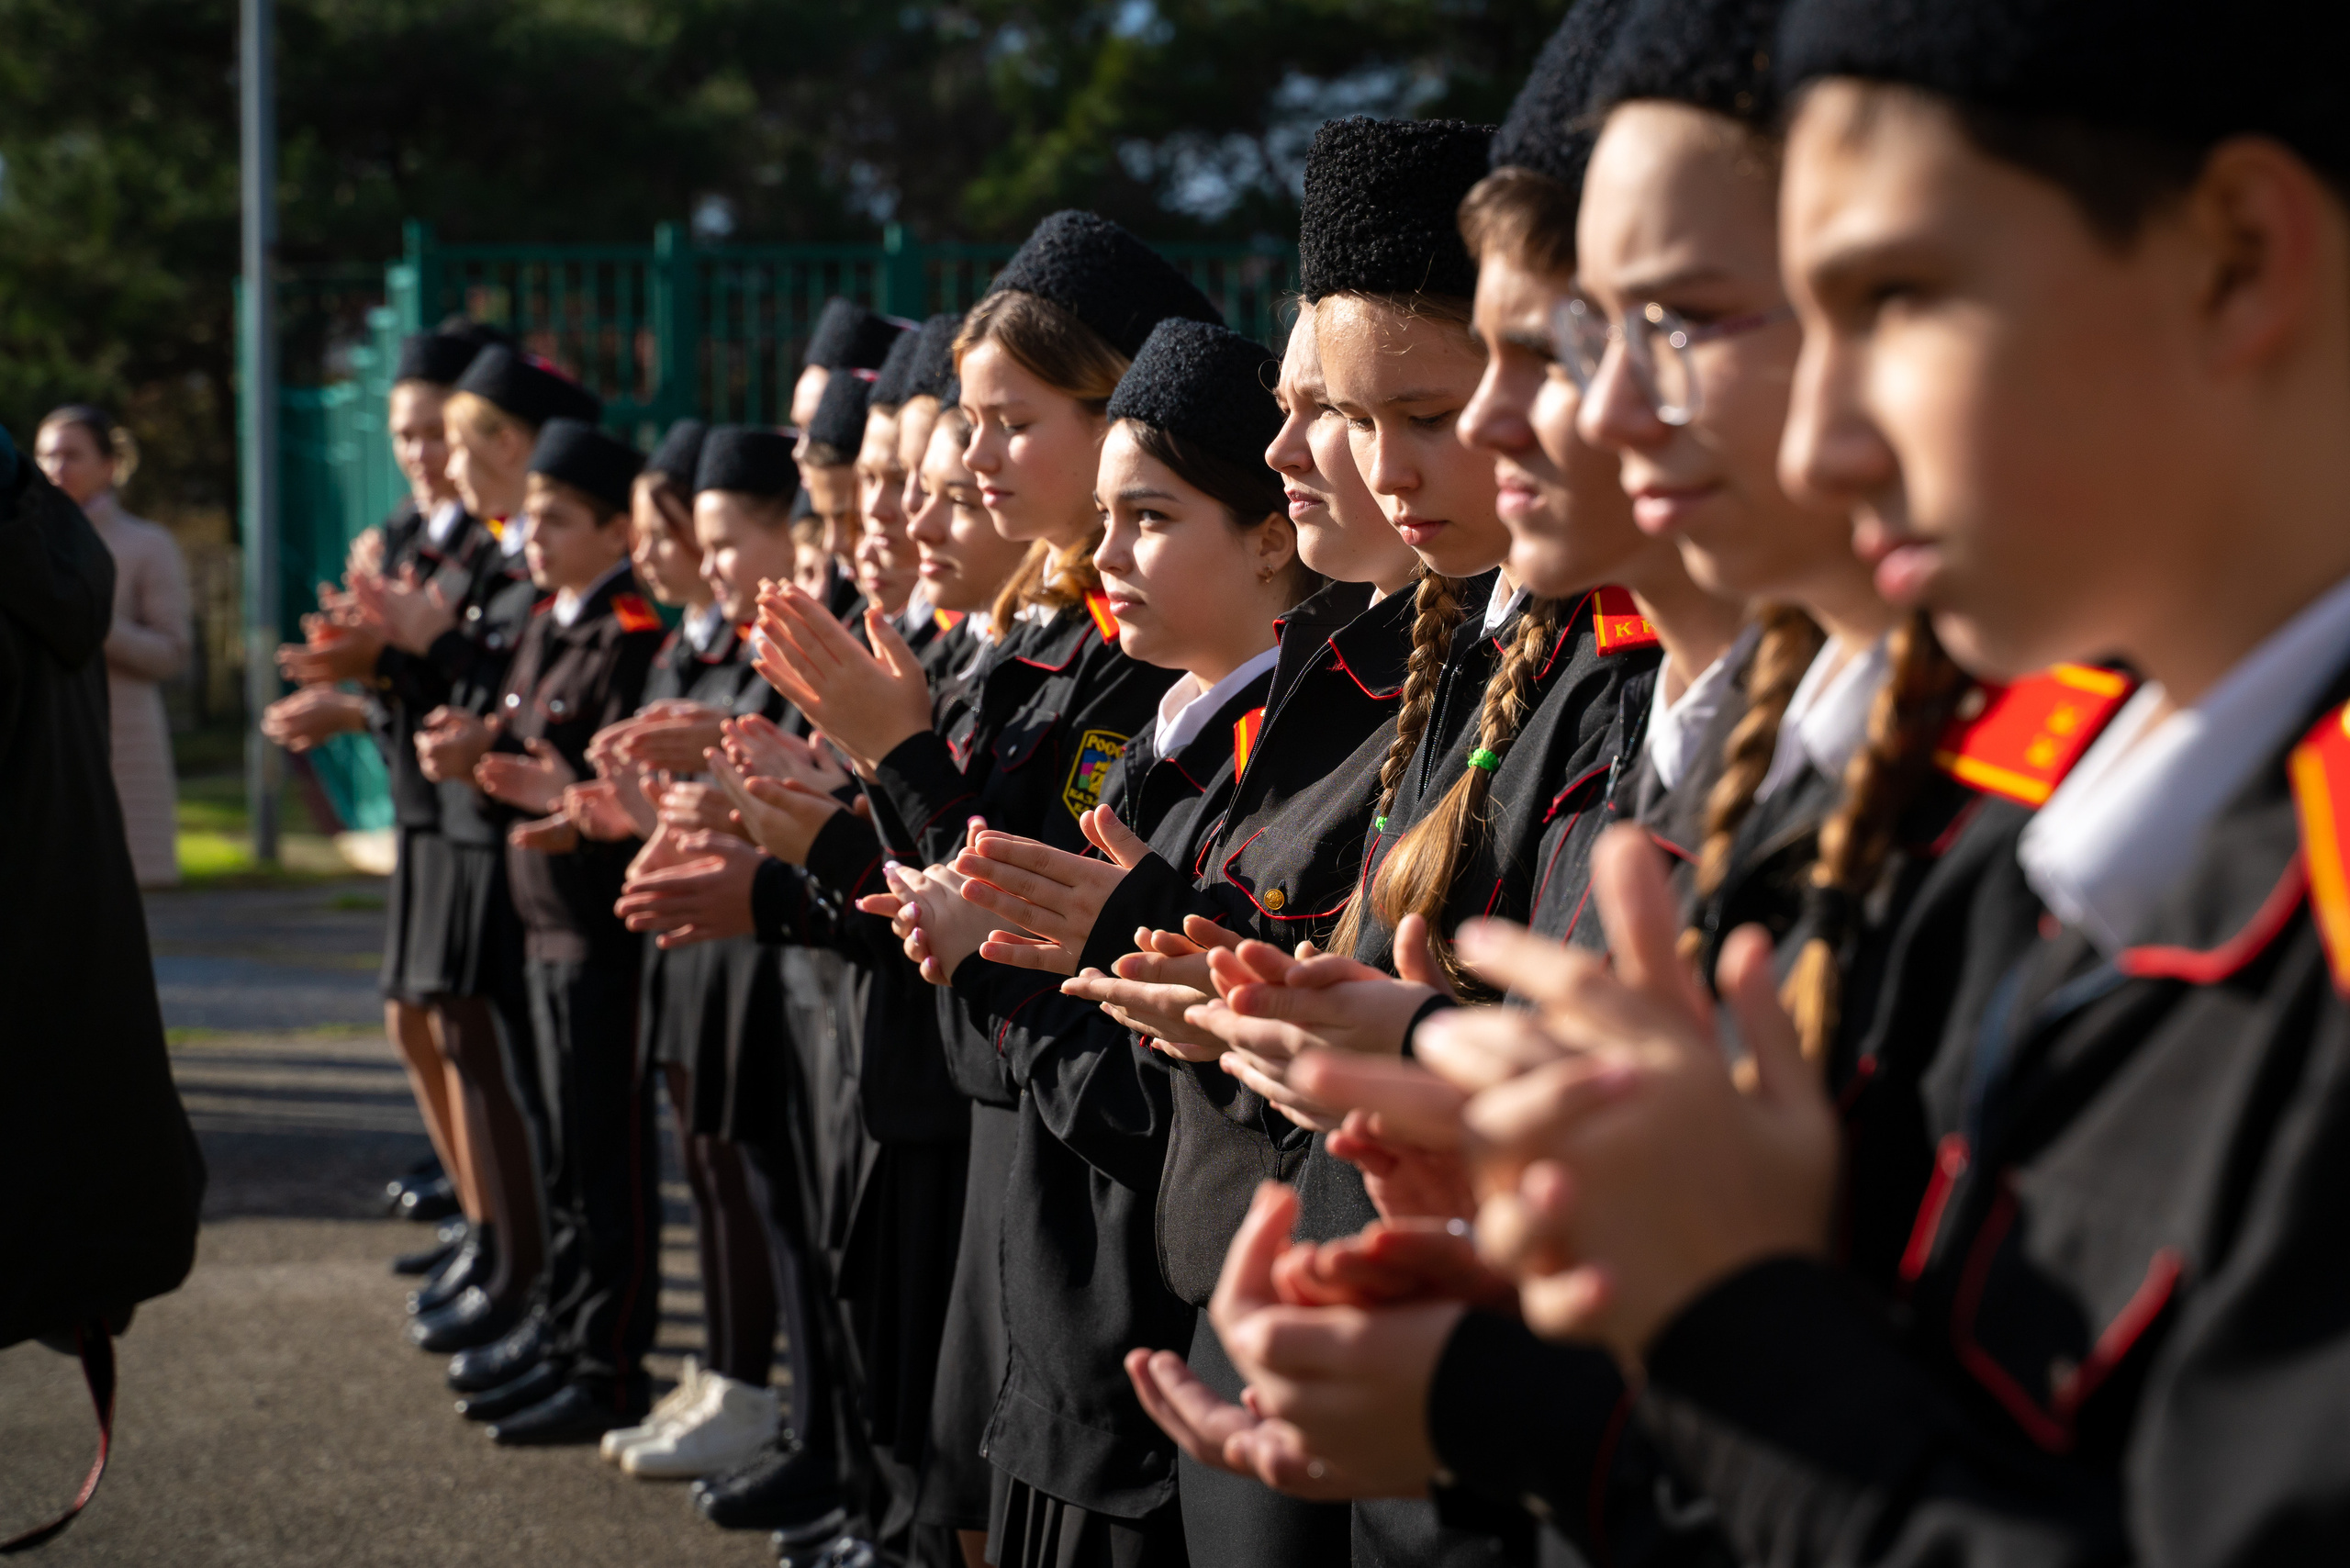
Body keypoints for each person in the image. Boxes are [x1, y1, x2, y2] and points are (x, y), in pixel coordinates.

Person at [752, 208, 1213, 1568]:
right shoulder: (1048, 634)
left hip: (1068, 1178)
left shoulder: (1143, 658)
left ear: (1119, 408)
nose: (971, 458)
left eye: (1012, 422)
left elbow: (1011, 912)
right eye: (968, 418)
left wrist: (889, 757)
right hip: (990, 1142)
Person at [861, 317, 1318, 1568]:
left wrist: (989, 962)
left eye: (1152, 518)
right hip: (1057, 1316)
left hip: (1144, 1364)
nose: (1102, 554)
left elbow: (1162, 1114)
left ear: (1273, 537)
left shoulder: (1285, 777)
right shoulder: (1176, 745)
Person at [34, 405, 188, 888]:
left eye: (71, 455)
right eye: (45, 456)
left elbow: (172, 652)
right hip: (41, 743)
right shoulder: (23, 545)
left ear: (109, 465)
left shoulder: (147, 544)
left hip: (123, 744)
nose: (56, 469)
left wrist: (92, 621)